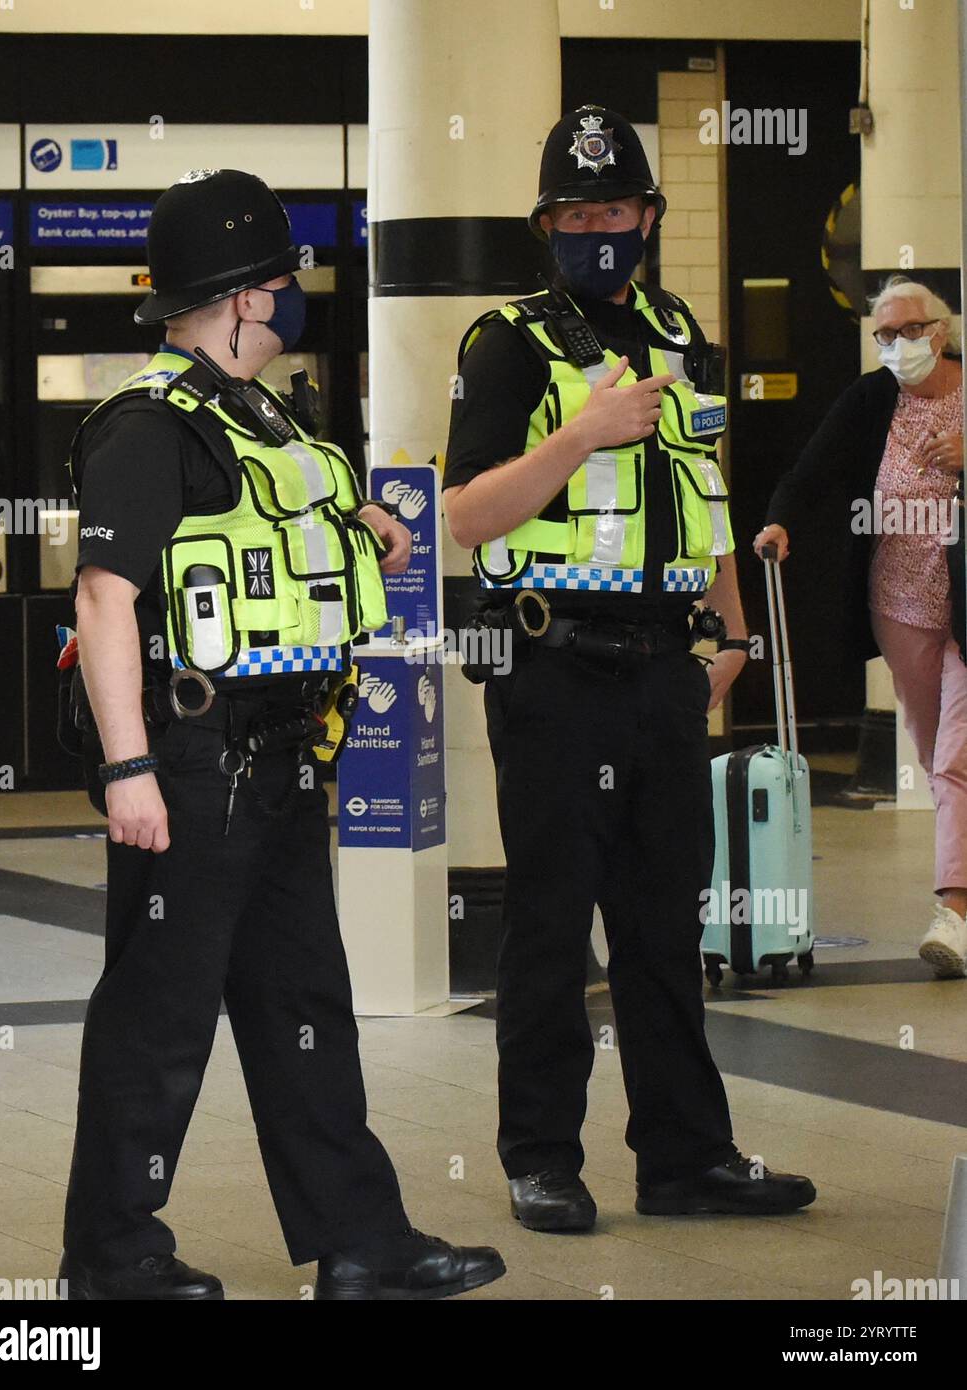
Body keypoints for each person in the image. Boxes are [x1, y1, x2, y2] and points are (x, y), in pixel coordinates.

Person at [60, 168, 504, 1301]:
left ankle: (360, 1241)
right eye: (281, 280)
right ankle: (111, 1258)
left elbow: (286, 531)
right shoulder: (145, 427)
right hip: (194, 757)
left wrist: (366, 537)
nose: (294, 295)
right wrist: (128, 768)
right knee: (158, 1021)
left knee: (304, 1008)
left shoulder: (261, 417)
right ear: (243, 297)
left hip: (283, 754)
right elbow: (106, 599)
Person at [443, 106, 816, 1230]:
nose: (594, 228)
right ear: (545, 225)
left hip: (664, 669)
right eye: (573, 212)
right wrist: (579, 437)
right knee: (551, 924)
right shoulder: (505, 341)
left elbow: (702, 501)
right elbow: (465, 514)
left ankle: (686, 1156)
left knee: (665, 923)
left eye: (614, 209)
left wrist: (735, 633)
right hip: (555, 668)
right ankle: (540, 1157)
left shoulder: (677, 327)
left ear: (649, 216)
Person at [757, 274, 967, 979]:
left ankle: (955, 912)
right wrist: (779, 519)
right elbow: (811, 470)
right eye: (885, 334)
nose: (900, 345)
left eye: (912, 330)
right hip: (900, 608)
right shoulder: (872, 398)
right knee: (940, 756)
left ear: (942, 330)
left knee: (954, 762)